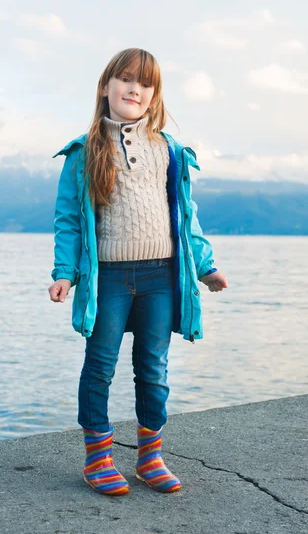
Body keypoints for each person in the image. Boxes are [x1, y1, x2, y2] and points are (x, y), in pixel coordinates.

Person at [48, 48, 228, 496]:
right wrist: (64, 272)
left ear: (155, 95)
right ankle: (98, 458)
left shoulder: (168, 150)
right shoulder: (85, 151)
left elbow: (186, 215)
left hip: (160, 277)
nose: (135, 89)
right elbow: (69, 219)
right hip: (108, 277)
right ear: (105, 87)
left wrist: (205, 266)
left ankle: (150, 457)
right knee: (100, 367)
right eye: (126, 79)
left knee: (153, 368)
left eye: (145, 83)